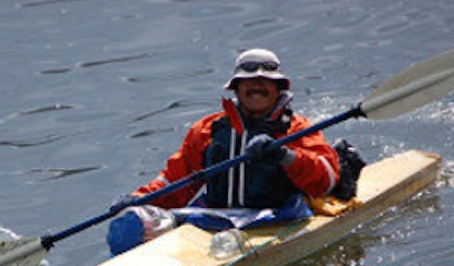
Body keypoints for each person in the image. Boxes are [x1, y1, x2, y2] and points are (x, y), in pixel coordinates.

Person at [113, 48, 353, 213]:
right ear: (236, 88)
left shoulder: (297, 128)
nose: (257, 85)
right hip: (219, 218)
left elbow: (326, 180)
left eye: (265, 81)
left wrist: (285, 155)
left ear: (278, 88)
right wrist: (139, 200)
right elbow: (176, 180)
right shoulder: (208, 129)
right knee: (133, 227)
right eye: (249, 81)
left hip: (280, 216)